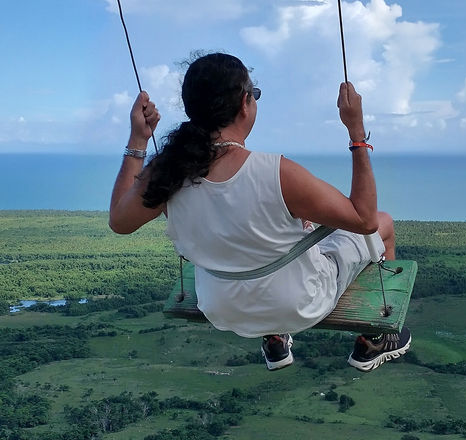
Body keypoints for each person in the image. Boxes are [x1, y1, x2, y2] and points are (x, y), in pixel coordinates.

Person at [109, 52, 410, 372]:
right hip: (299, 305)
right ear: (244, 104)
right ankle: (375, 338)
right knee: (383, 224)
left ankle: (274, 338)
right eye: (254, 94)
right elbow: (363, 219)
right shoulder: (277, 172)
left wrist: (138, 140)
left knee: (280, 237)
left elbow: (120, 221)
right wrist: (356, 132)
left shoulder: (167, 171)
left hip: (221, 307)